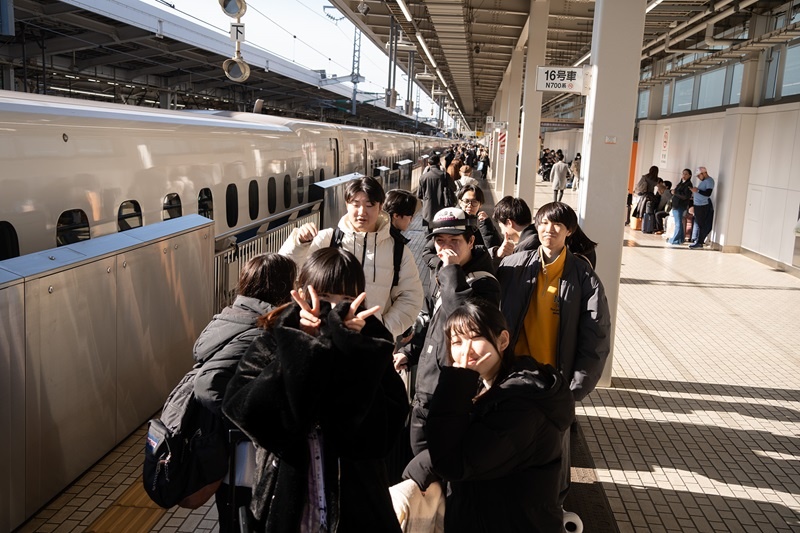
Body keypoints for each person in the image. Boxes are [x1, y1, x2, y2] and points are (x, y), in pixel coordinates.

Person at [222, 247, 408, 533]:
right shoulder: (276, 339)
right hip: (287, 504)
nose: (333, 311)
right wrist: (301, 348)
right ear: (301, 293)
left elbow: (379, 438)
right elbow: (244, 411)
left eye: (345, 300)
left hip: (358, 510)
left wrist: (353, 352)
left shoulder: (371, 347)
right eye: (323, 298)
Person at [402, 299, 574, 533]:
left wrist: (455, 382)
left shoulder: (522, 403)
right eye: (456, 341)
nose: (465, 350)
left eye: (475, 338)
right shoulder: (487, 383)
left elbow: (455, 462)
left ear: (503, 340)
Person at [496, 201, 611, 513]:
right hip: (513, 377)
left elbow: (596, 336)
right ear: (537, 224)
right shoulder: (512, 266)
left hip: (555, 384)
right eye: (545, 223)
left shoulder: (584, 277)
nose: (550, 230)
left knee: (552, 452)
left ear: (569, 231)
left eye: (558, 225)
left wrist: (577, 387)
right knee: (509, 440)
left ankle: (550, 508)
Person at [192, 253, 297, 533]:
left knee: (231, 518)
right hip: (244, 461)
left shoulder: (228, 317)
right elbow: (208, 384)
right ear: (281, 287)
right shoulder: (257, 329)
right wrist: (247, 418)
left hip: (227, 458)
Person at [395, 207, 500, 455]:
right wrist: (409, 351)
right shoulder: (441, 272)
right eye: (440, 241)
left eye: (455, 240)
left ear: (471, 241)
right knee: (417, 454)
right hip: (427, 384)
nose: (446, 248)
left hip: (457, 391)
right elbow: (433, 320)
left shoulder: (485, 283)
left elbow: (461, 323)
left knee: (441, 462)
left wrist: (451, 270)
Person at [279, 176, 423, 340]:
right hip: (323, 336)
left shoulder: (398, 251)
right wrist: (299, 244)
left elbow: (411, 298)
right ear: (346, 204)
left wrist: (381, 329)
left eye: (369, 205)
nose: (362, 212)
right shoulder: (328, 238)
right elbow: (284, 270)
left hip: (370, 345)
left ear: (380, 206)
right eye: (355, 204)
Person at [418, 153, 456, 229]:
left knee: (430, 229)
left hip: (429, 209)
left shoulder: (423, 177)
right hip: (443, 207)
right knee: (440, 229)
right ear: (439, 163)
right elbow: (454, 188)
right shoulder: (445, 175)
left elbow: (419, 195)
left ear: (428, 164)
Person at [689, 166, 715, 248]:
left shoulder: (709, 181)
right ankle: (697, 240)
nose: (698, 178)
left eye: (699, 176)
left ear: (704, 173)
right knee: (698, 223)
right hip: (698, 205)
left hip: (702, 205)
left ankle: (699, 242)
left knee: (701, 224)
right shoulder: (704, 181)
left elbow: (708, 193)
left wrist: (697, 191)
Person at [667, 169, 693, 245]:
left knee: (678, 223)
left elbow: (685, 196)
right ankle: (680, 239)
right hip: (676, 205)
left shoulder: (688, 185)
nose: (684, 176)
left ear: (690, 175)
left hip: (680, 205)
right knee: (679, 223)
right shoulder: (681, 183)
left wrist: (675, 192)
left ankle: (675, 239)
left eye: (686, 174)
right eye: (683, 174)